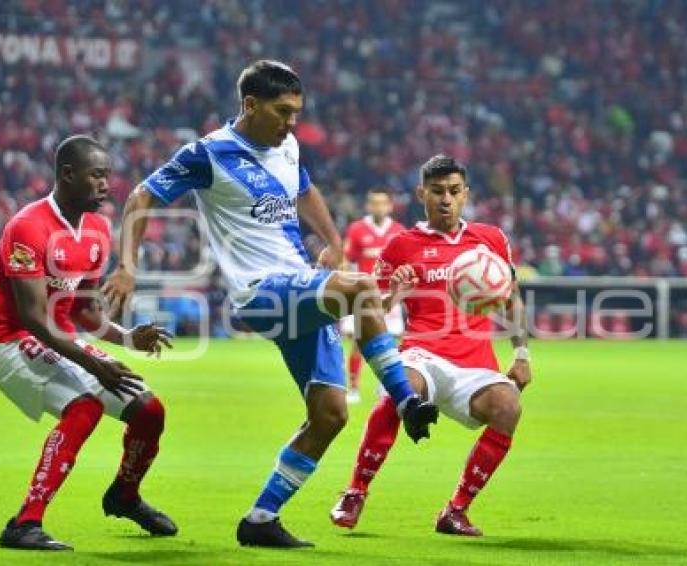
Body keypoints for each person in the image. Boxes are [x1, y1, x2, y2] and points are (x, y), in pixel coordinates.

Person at [102, 60, 438, 548]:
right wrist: (127, 265)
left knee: (330, 415)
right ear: (250, 105)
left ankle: (261, 519)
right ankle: (406, 400)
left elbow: (305, 189)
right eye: (282, 111)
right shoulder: (208, 154)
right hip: (259, 292)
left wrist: (332, 240)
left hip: (299, 284)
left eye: (296, 112)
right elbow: (139, 197)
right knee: (361, 288)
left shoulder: (288, 145)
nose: (291, 122)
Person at [0, 135, 177, 551]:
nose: (106, 184)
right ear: (68, 174)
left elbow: (83, 312)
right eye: (97, 175)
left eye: (108, 176)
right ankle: (24, 523)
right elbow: (33, 318)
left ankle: (124, 494)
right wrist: (91, 365)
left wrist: (125, 338)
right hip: (9, 341)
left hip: (59, 338)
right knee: (84, 406)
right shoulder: (27, 228)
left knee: (149, 411)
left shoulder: (99, 230)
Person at [330, 155, 532, 536]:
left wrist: (522, 353)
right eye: (437, 191)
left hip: (476, 365)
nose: (446, 200)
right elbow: (370, 313)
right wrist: (396, 293)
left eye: (454, 192)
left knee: (508, 406)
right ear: (421, 193)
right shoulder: (401, 246)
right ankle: (356, 491)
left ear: (466, 194)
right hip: (423, 353)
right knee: (398, 388)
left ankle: (455, 510)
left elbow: (512, 297)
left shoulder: (490, 239)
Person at [341, 188, 405, 403]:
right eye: (374, 203)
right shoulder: (357, 229)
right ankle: (353, 388)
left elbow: (407, 263)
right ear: (368, 206)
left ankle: (384, 387)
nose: (379, 207)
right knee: (359, 342)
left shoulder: (398, 231)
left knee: (392, 342)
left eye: (383, 203)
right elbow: (345, 260)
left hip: (390, 295)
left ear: (390, 206)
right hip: (364, 296)